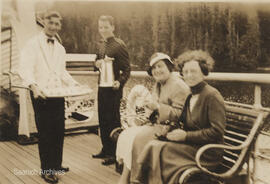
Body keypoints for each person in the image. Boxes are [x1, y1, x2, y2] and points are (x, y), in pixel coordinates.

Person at [131, 50, 226, 184]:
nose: (189, 75)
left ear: (204, 72)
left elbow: (217, 132)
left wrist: (186, 136)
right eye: (186, 72)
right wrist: (167, 132)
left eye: (193, 71)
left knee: (160, 150)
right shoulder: (190, 95)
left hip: (208, 152)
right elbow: (181, 122)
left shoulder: (212, 96)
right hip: (193, 146)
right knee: (154, 145)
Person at [19, 11, 77, 183]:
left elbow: (61, 72)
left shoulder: (60, 48)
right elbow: (25, 68)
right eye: (50, 22)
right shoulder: (32, 44)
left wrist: (74, 84)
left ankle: (56, 165)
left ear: (60, 26)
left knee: (58, 131)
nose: (53, 26)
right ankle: (47, 169)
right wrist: (33, 86)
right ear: (44, 22)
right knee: (45, 133)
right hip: (40, 93)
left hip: (57, 94)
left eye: (57, 24)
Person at [117, 52, 190, 184]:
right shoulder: (159, 84)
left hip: (173, 129)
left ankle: (132, 179)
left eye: (160, 66)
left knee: (136, 138)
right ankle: (129, 178)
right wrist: (148, 117)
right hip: (159, 126)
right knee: (127, 135)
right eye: (154, 68)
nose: (157, 70)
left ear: (169, 67)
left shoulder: (178, 85)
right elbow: (155, 112)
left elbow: (180, 115)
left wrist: (157, 107)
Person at [92, 15, 131, 166]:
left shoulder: (119, 45)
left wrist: (119, 82)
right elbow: (95, 63)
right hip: (102, 87)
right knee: (102, 119)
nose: (103, 30)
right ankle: (105, 149)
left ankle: (115, 153)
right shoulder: (101, 45)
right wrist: (97, 63)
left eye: (106, 27)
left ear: (113, 27)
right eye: (100, 27)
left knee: (113, 120)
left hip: (114, 90)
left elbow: (127, 69)